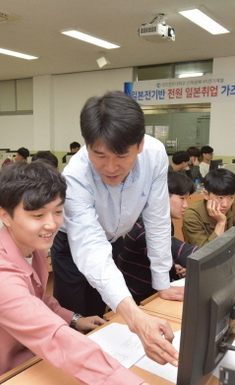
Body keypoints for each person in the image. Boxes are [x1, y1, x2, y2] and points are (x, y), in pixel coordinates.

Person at [0, 161, 217, 385]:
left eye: (58, 212)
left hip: (31, 362)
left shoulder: (27, 247)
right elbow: (52, 336)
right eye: (37, 216)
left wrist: (73, 318)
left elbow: (37, 300)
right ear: (5, 215)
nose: (51, 224)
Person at [51, 90, 182, 368]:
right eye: (99, 155)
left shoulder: (155, 155)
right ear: (86, 147)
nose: (110, 167)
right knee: (78, 318)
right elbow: (89, 249)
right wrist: (136, 319)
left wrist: (162, 282)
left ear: (140, 144)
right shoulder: (75, 175)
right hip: (71, 246)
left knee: (100, 312)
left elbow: (157, 218)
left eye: (121, 155)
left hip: (112, 241)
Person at [118, 171, 235, 304]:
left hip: (161, 287)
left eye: (187, 199)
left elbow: (166, 254)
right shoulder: (143, 228)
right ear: (160, 196)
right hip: (142, 298)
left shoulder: (163, 221)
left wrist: (173, 266)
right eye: (181, 198)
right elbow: (192, 252)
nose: (185, 205)